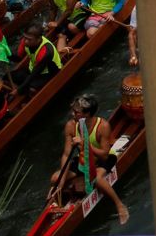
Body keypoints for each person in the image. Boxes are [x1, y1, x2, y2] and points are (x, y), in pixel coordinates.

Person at [51, 95, 128, 224]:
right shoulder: (70, 126)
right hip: (84, 159)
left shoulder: (103, 126)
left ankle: (119, 204)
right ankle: (57, 201)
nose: (72, 114)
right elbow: (66, 155)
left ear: (86, 114)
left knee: (96, 178)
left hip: (104, 158)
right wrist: (60, 183)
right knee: (55, 178)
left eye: (76, 112)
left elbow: (104, 155)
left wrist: (85, 143)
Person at [12, 23, 62, 95]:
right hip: (33, 68)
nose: (25, 41)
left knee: (30, 89)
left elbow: (34, 74)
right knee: (8, 76)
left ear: (38, 39)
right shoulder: (25, 41)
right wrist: (6, 54)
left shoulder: (46, 52)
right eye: (25, 37)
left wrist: (18, 90)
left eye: (29, 39)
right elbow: (19, 58)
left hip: (48, 72)